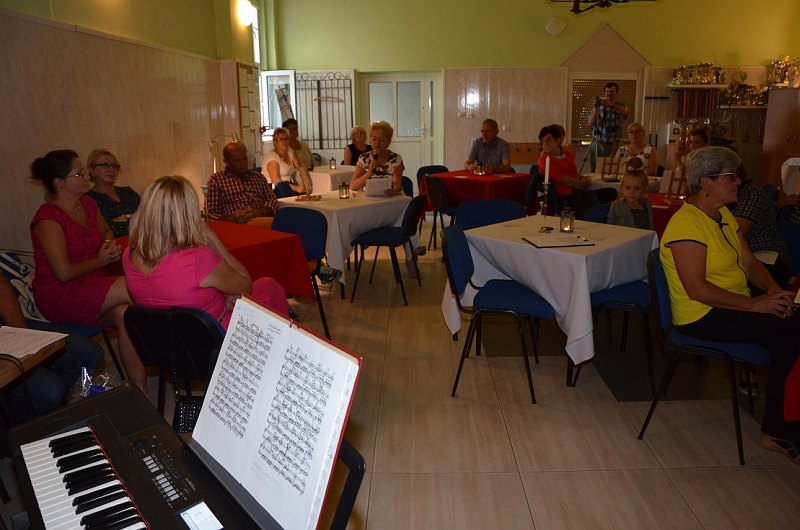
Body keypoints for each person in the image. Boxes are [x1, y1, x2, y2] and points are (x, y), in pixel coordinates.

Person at [660, 146, 800, 463]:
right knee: (791, 328)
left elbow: (750, 263)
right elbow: (697, 290)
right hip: (702, 315)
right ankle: (780, 429)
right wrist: (757, 306)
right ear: (705, 183)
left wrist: (775, 291)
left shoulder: (722, 215)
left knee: (789, 329)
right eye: (730, 177)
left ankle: (780, 426)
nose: (738, 182)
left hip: (731, 306)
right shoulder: (686, 225)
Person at [29, 150, 146, 392]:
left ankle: (139, 389)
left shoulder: (88, 204)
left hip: (92, 284)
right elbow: (63, 273)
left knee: (126, 314)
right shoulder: (48, 219)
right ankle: (173, 346)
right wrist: (100, 261)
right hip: (60, 293)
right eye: (79, 174)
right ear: (59, 183)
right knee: (133, 286)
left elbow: (106, 231)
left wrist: (107, 246)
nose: (86, 178)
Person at [123, 175, 290, 330]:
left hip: (168, 337)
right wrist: (212, 238)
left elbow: (171, 292)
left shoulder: (129, 255)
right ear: (187, 215)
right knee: (269, 287)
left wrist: (222, 298)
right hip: (214, 337)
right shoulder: (197, 259)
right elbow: (245, 285)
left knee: (264, 286)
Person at [0, 274, 104, 424]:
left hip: (4, 323)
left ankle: (64, 413)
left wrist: (19, 329)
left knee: (91, 353)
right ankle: (23, 430)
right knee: (49, 390)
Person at [729, 172, 792, 291]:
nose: (737, 181)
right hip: (738, 259)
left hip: (766, 256)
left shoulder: (750, 193)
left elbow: (731, 235)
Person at [207, 141, 279, 228]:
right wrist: (232, 219)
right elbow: (211, 215)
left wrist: (260, 211)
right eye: (237, 160)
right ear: (226, 162)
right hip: (235, 225)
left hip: (261, 218)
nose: (243, 163)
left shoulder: (258, 177)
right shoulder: (217, 180)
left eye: (245, 158)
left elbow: (273, 201)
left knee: (286, 219)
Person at [85, 148, 141, 237]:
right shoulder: (88, 199)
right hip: (113, 244)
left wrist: (125, 219)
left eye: (114, 166)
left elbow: (149, 215)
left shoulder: (127, 191)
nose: (111, 169)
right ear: (92, 171)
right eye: (105, 165)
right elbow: (95, 230)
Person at [537, 124, 590, 210]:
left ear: (558, 140)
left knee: (608, 193)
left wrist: (582, 178)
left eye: (549, 139)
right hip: (564, 195)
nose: (545, 142)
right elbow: (562, 179)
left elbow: (574, 172)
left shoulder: (567, 154)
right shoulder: (544, 159)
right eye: (543, 140)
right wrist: (580, 183)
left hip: (576, 190)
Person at [350, 121, 405, 196]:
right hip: (369, 199)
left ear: (389, 141)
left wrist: (394, 191)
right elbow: (353, 186)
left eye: (382, 140)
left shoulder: (395, 159)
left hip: (390, 198)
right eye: (374, 139)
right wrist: (369, 173)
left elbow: (397, 184)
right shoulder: (364, 158)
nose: (377, 143)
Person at [588, 82, 629, 172]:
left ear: (616, 93)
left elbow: (625, 112)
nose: (609, 94)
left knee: (612, 169)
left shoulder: (621, 106)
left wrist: (610, 105)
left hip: (613, 144)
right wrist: (596, 108)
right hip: (598, 143)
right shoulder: (599, 106)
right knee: (595, 169)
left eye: (612, 92)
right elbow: (590, 123)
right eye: (607, 91)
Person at [607, 158, 654, 230]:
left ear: (643, 190)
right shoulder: (617, 206)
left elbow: (651, 227)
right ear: (622, 188)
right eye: (628, 188)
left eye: (637, 188)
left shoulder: (646, 205)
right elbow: (609, 227)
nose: (632, 192)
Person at [263, 127, 306, 195]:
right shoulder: (272, 157)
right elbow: (276, 181)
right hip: (275, 189)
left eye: (286, 139)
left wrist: (304, 184)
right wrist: (296, 188)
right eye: (280, 139)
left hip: (288, 186)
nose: (284, 141)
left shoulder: (290, 151)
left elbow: (300, 167)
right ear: (275, 142)